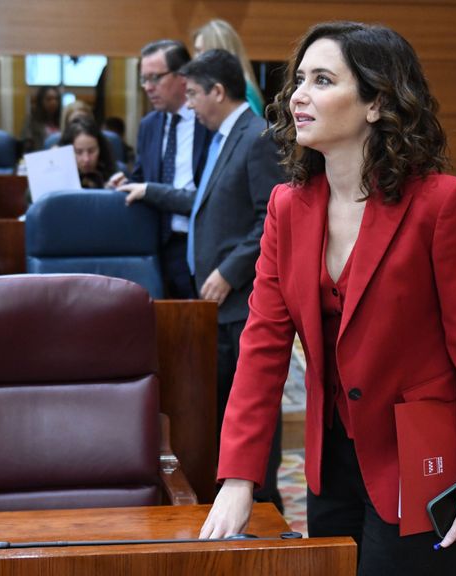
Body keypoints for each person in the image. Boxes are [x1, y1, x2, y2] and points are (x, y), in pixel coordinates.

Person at [199, 22, 456, 575]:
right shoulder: (286, 207)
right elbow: (263, 349)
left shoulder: (442, 205)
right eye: (299, 80)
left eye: (322, 80)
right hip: (332, 461)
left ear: (376, 103)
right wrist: (238, 478)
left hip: (422, 460)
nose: (298, 95)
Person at [117, 50, 286, 510]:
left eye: (193, 93)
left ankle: (265, 505)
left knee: (249, 409)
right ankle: (237, 497)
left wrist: (229, 272)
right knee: (225, 406)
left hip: (241, 301)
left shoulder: (257, 138)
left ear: (217, 91)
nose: (188, 104)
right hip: (214, 302)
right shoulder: (219, 138)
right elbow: (201, 203)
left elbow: (270, 221)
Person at [109, 40, 212, 299]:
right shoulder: (149, 125)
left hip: (202, 245)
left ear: (183, 76)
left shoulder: (208, 121)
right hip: (158, 245)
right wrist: (126, 181)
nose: (147, 87)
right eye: (144, 79)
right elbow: (143, 178)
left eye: (155, 78)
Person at [193, 19, 266, 117]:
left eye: (200, 51)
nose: (195, 58)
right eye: (196, 51)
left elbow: (252, 129)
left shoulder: (244, 89)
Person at [59, 117, 115, 189]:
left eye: (91, 151)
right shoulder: (58, 177)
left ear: (100, 149)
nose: (86, 159)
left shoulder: (113, 176)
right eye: (78, 152)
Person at [21, 86, 62, 154]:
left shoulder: (61, 120)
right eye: (49, 99)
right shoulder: (32, 120)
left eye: (56, 99)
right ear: (41, 101)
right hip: (39, 157)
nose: (53, 102)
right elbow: (26, 145)